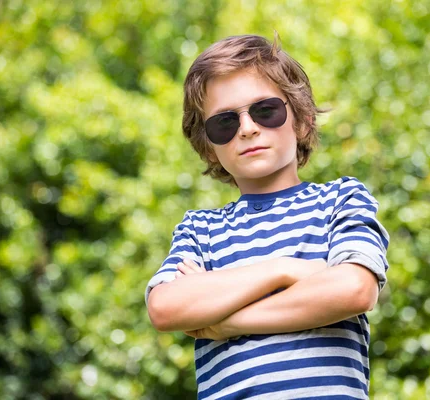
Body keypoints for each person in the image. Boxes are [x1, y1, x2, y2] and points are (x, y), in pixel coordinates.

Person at [145, 33, 390, 400]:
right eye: (224, 123)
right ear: (209, 148)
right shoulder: (200, 230)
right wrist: (285, 269)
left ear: (303, 121)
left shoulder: (341, 199)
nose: (247, 128)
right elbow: (166, 308)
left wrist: (225, 322)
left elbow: (355, 289)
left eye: (265, 110)